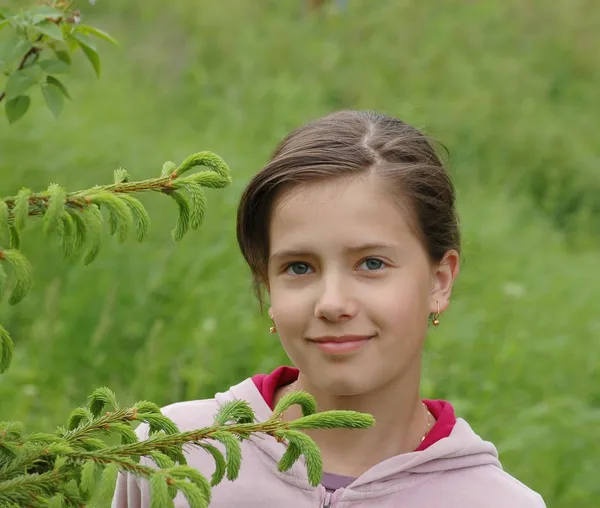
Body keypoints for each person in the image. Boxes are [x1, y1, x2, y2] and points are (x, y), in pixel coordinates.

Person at [112, 110, 546, 507]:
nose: (333, 304)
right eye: (299, 267)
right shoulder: (171, 453)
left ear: (439, 280)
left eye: (372, 263)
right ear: (267, 288)